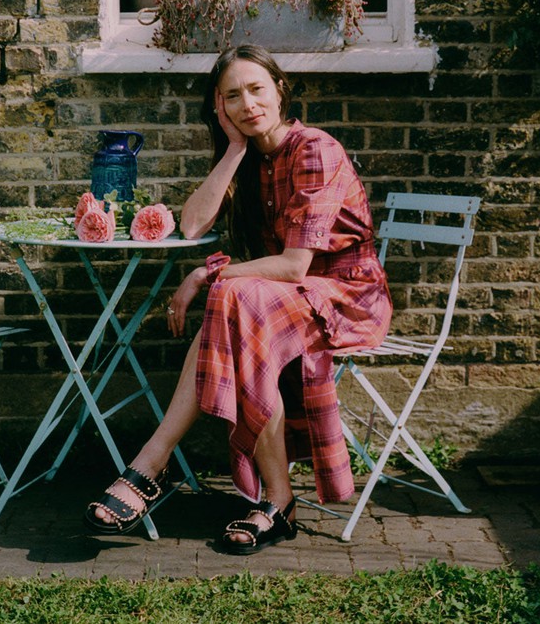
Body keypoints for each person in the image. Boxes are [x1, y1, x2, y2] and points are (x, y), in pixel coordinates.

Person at [84, 44, 392, 553]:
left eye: (256, 89)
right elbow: (190, 224)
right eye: (232, 96)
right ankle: (267, 499)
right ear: (219, 108)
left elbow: (295, 265)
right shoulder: (251, 157)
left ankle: (158, 469)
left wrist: (206, 277)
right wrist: (232, 151)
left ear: (279, 90)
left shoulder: (314, 149)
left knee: (237, 301)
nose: (248, 104)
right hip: (279, 301)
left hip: (346, 297)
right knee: (239, 307)